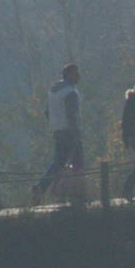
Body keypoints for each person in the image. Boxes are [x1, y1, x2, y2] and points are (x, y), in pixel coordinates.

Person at [34, 63, 84, 201]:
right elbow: (71, 115)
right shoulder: (71, 92)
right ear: (68, 75)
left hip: (57, 131)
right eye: (76, 73)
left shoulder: (54, 91)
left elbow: (47, 112)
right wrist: (76, 133)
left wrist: (55, 123)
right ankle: (77, 193)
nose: (78, 76)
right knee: (78, 162)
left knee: (59, 162)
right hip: (69, 131)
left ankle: (42, 187)